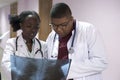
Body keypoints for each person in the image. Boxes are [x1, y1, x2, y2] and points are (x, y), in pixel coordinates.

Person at [46, 3, 108, 80]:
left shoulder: (88, 30)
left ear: (71, 19)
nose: (58, 29)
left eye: (63, 25)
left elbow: (101, 62)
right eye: (54, 25)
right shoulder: (51, 36)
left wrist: (67, 69)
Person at [1, 11, 47, 80]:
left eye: (36, 27)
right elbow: (6, 64)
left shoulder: (43, 45)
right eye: (29, 26)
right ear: (21, 25)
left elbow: (47, 67)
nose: (33, 30)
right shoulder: (12, 43)